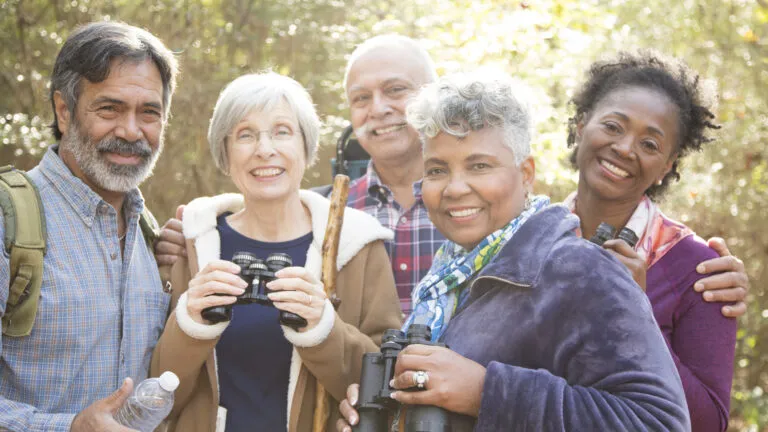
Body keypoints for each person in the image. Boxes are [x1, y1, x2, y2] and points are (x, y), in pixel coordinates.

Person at [155, 35, 749, 320]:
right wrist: (194, 232)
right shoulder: (322, 214)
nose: (379, 108)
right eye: (360, 98)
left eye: (396, 91)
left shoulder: (515, 219)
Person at [336, 71, 691, 431]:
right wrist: (383, 412)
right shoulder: (445, 278)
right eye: (437, 170)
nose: (455, 188)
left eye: (479, 166)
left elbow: (659, 422)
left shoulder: (580, 271)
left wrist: (486, 392)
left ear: (526, 174)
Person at [149, 72, 402, 432]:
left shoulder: (357, 245)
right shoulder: (195, 243)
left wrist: (324, 330)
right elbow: (159, 392)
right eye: (245, 134)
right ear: (225, 151)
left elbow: (382, 387)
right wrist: (189, 325)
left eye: (282, 131)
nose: (264, 149)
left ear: (306, 146)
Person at [0, 21, 178, 431]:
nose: (131, 131)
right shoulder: (9, 218)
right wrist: (68, 428)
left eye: (149, 112)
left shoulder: (149, 235)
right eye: (109, 108)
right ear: (64, 111)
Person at [564, 51, 738, 431]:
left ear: (668, 166)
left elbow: (708, 423)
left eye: (650, 144)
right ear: (581, 126)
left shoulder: (700, 271)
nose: (625, 148)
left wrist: (634, 313)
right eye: (613, 126)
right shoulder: (529, 237)